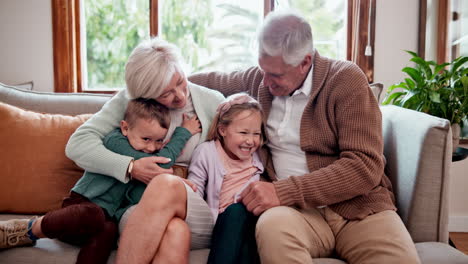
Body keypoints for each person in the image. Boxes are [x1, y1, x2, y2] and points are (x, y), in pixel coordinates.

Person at [188, 9, 421, 264]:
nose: (265, 82)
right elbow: (211, 81)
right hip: (296, 215)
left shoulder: (346, 80)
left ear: (304, 62)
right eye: (262, 69)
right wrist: (168, 81)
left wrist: (283, 191)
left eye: (276, 75)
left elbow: (365, 166)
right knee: (271, 227)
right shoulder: (261, 79)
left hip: (358, 210)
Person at [0, 97, 201, 264]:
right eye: (146, 139)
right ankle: (28, 229)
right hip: (79, 209)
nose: (151, 148)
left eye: (159, 141)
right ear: (125, 128)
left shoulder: (144, 155)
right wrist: (182, 133)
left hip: (104, 220)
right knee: (94, 214)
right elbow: (162, 162)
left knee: (108, 231)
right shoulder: (115, 141)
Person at [188, 93, 264, 264]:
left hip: (251, 219)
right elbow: (195, 191)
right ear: (223, 130)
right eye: (243, 132)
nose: (250, 141)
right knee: (237, 211)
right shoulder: (207, 152)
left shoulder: (259, 155)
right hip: (221, 221)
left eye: (256, 134)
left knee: (248, 222)